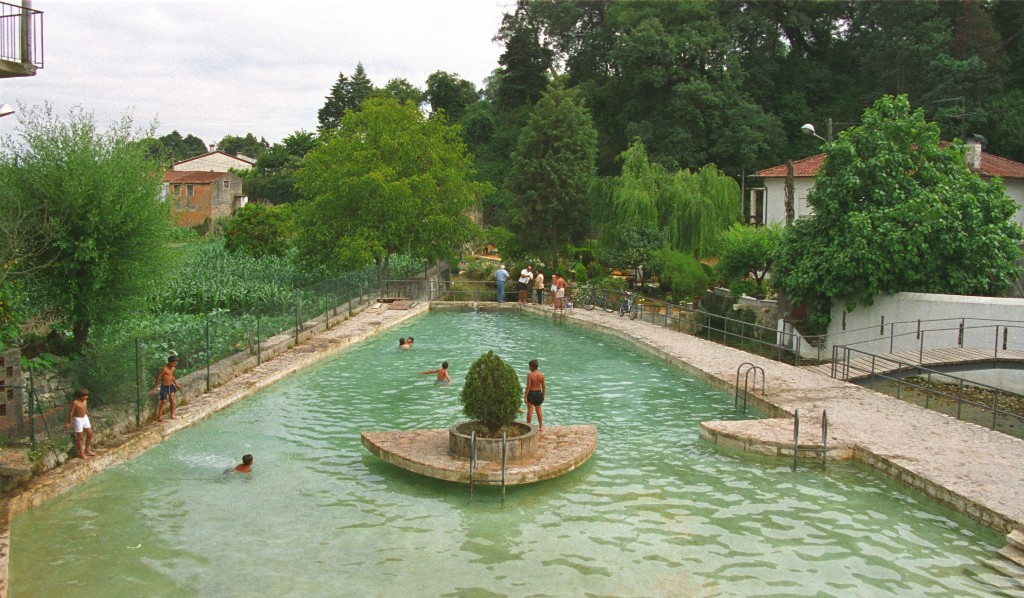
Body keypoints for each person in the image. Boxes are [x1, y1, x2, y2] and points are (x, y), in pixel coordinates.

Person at [65, 387, 97, 460]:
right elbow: (71, 413)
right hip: (78, 420)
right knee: (80, 437)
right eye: (86, 395)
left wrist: (88, 413)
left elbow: (85, 409)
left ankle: (87, 449)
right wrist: (68, 423)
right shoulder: (75, 402)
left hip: (85, 418)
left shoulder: (85, 401)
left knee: (90, 434)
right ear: (81, 397)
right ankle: (81, 453)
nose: (87, 397)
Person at [152, 354, 179, 422]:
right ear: (170, 362)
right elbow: (158, 377)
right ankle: (160, 416)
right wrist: (155, 387)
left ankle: (172, 414)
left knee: (172, 400)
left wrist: (176, 384)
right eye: (174, 363)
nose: (175, 364)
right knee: (163, 401)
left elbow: (172, 376)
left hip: (171, 386)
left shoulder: (173, 368)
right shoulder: (164, 369)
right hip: (164, 386)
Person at [524, 359, 546, 431]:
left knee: (530, 410)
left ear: (532, 367)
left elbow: (528, 386)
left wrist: (525, 396)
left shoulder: (530, 375)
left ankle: (528, 427)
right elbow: (543, 386)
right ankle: (541, 427)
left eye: (529, 366)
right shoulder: (541, 375)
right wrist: (543, 395)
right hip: (539, 393)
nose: (529, 368)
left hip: (531, 393)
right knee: (539, 410)